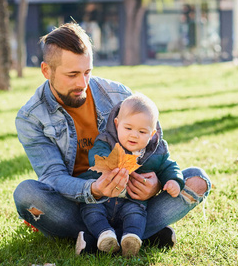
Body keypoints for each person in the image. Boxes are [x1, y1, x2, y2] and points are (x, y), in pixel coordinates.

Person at [13, 22, 212, 255]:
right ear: (47, 71)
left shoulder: (119, 95)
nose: (82, 83)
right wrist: (95, 189)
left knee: (197, 179)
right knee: (26, 194)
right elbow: (53, 177)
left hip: (132, 198)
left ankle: (98, 238)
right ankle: (139, 233)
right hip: (78, 204)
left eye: (87, 72)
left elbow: (154, 147)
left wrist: (155, 184)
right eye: (72, 75)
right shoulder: (31, 117)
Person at [78, 93, 184, 256]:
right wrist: (109, 162)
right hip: (104, 198)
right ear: (117, 123)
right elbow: (95, 157)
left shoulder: (156, 152)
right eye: (128, 128)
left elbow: (169, 166)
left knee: (137, 214)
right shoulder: (107, 141)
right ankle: (104, 235)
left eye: (142, 132)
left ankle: (131, 238)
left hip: (133, 201)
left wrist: (173, 181)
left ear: (153, 133)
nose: (134, 135)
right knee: (90, 209)